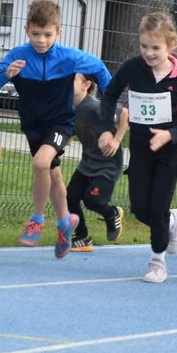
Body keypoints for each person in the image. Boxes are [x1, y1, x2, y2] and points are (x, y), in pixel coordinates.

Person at [0, 0, 111, 257]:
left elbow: (99, 68)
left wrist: (109, 106)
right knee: (52, 175)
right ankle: (66, 224)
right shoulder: (17, 55)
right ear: (26, 29)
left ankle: (36, 221)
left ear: (58, 33)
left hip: (61, 123)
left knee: (41, 164)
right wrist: (7, 74)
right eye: (36, 34)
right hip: (33, 125)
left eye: (48, 35)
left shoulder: (69, 57)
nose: (41, 40)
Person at [97, 13, 177, 283]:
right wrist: (107, 129)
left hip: (169, 149)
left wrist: (170, 135)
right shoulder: (132, 68)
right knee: (140, 209)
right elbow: (109, 95)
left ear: (170, 46)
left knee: (157, 205)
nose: (149, 53)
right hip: (141, 147)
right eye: (144, 47)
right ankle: (171, 222)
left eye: (156, 48)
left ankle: (157, 262)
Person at [66, 73, 127, 252]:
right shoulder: (70, 109)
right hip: (88, 163)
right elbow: (77, 128)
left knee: (93, 201)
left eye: (72, 81)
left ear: (86, 85)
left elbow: (124, 114)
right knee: (70, 197)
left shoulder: (94, 106)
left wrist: (116, 140)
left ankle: (113, 213)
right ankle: (83, 238)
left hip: (108, 164)